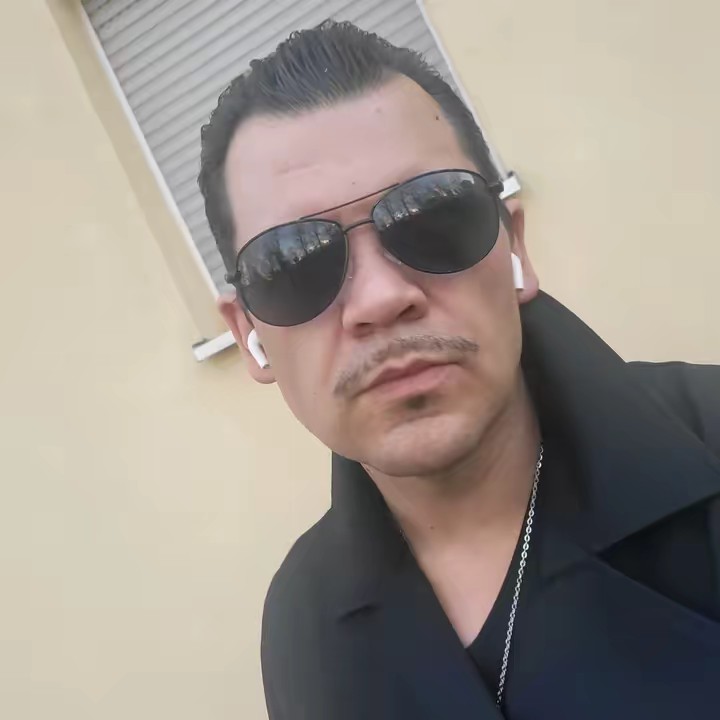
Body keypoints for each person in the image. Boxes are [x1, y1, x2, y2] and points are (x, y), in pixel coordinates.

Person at [198, 21, 720, 720]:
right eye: (291, 263)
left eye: (431, 215)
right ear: (249, 334)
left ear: (514, 248)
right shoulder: (303, 618)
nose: (381, 299)